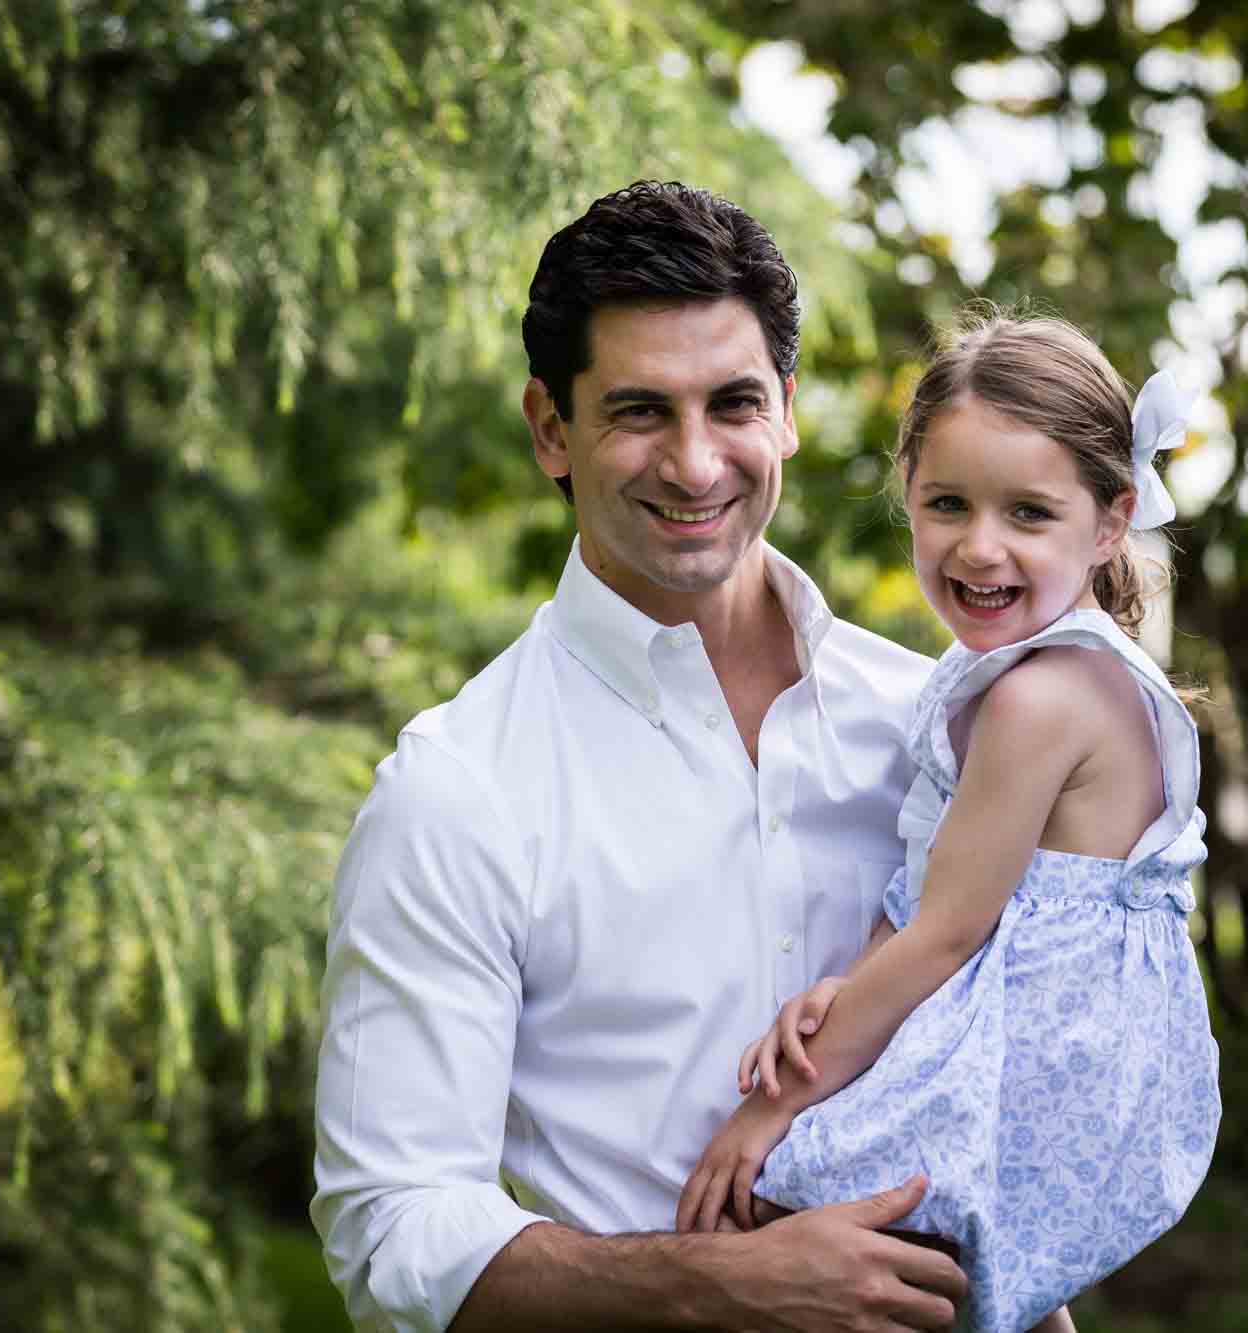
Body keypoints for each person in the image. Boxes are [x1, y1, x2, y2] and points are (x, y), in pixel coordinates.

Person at [310, 180, 969, 1332]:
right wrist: (723, 1287)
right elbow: (393, 1225)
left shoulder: (938, 727)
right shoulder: (458, 789)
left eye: (732, 403)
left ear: (790, 412)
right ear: (549, 430)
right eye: (638, 412)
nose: (696, 463)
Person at [674, 312, 1223, 1333]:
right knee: (973, 1288)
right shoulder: (1035, 668)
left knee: (786, 1206)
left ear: (1109, 522)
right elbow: (941, 887)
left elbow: (949, 927)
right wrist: (847, 986)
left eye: (1027, 512)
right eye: (946, 504)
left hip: (1046, 1053)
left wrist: (768, 1109)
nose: (979, 546)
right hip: (1045, 1040)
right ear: (908, 498)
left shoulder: (1038, 698)